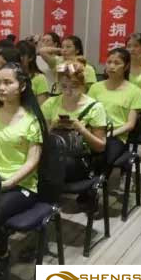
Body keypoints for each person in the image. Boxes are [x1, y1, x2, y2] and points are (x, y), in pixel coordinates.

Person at [0, 62, 47, 278]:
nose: (1, 88)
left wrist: (9, 182)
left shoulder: (31, 120)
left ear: (22, 86)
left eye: (8, 82)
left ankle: (2, 254)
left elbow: (32, 162)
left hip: (23, 185)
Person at [41, 60, 107, 199]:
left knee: (52, 165)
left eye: (74, 86)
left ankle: (47, 199)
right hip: (54, 153)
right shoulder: (50, 103)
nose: (68, 91)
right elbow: (40, 138)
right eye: (64, 86)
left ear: (83, 85)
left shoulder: (95, 108)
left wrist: (81, 129)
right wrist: (52, 127)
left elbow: (100, 146)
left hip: (80, 159)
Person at [88, 48, 141, 167]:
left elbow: (130, 124)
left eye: (117, 63)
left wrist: (109, 134)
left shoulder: (134, 91)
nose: (111, 66)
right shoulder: (95, 87)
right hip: (94, 131)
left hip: (116, 136)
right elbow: (88, 113)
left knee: (102, 157)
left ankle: (98, 177)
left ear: (126, 66)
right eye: (109, 62)